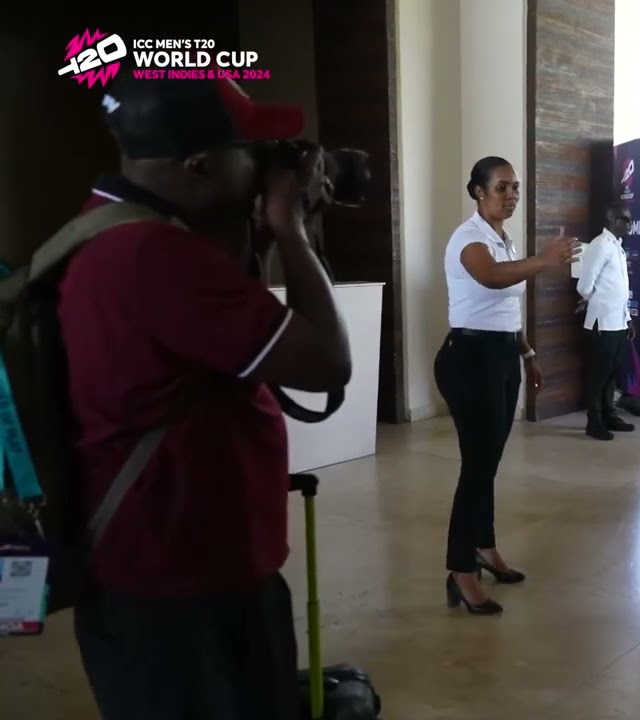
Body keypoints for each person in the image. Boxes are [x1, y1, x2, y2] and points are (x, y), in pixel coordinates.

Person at [61, 75, 349, 720]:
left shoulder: (113, 230)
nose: (268, 163)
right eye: (253, 149)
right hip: (185, 594)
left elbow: (226, 346)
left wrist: (266, 241)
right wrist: (292, 227)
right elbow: (328, 362)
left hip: (166, 575)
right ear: (199, 164)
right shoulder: (154, 255)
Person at [435, 156, 579, 615]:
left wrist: (527, 353)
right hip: (468, 358)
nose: (510, 195)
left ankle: (484, 546)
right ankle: (461, 569)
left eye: (514, 187)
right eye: (501, 188)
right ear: (477, 192)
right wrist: (544, 260)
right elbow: (493, 279)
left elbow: (508, 309)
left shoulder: (502, 238)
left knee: (489, 460)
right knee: (477, 464)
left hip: (500, 356)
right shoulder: (469, 238)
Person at [576, 201, 636, 440]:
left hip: (618, 322)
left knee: (612, 372)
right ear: (612, 219)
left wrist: (628, 319)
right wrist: (595, 301)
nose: (630, 224)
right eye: (625, 219)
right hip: (602, 323)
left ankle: (610, 414)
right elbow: (584, 286)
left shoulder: (617, 247)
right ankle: (595, 420)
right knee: (599, 374)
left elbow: (619, 288)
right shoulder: (599, 246)